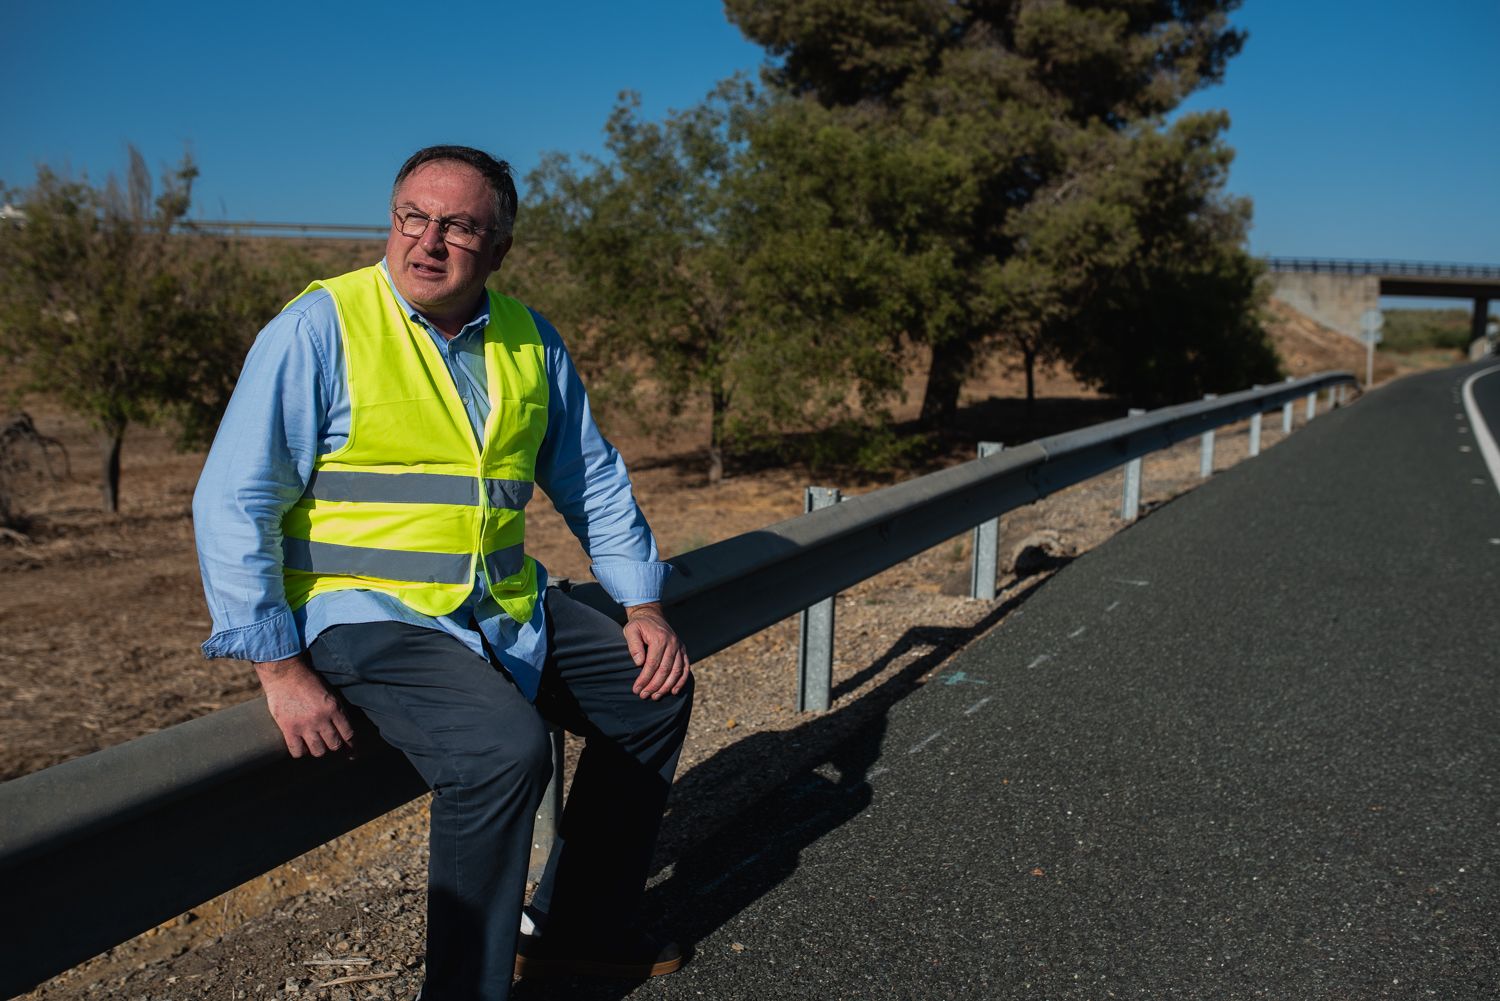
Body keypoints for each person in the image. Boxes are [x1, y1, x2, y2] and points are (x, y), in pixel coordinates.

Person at [193, 145, 694, 1000]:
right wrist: (278, 667)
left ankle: (578, 928)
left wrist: (641, 603)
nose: (428, 241)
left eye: (459, 226)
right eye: (412, 219)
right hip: (364, 612)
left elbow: (593, 478)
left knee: (651, 689)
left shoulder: (530, 340)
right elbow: (232, 498)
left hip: (497, 603)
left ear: (497, 248)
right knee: (503, 753)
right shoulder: (322, 325)